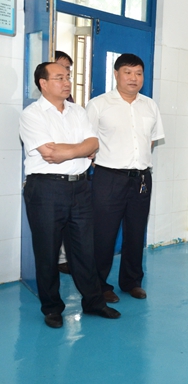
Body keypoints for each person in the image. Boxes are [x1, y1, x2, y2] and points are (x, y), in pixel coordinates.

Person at [20, 62, 121, 328]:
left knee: (84, 250)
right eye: (59, 78)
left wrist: (69, 151)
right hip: (46, 189)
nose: (66, 82)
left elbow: (93, 143)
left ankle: (94, 302)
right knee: (47, 251)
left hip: (80, 188)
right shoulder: (32, 115)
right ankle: (52, 308)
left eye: (68, 77)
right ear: (43, 83)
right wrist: (80, 149)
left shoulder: (78, 111)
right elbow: (48, 153)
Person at [86, 53, 164, 303]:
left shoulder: (150, 106)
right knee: (103, 234)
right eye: (128, 72)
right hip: (108, 178)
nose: (133, 78)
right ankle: (99, 285)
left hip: (141, 179)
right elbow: (88, 142)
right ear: (116, 74)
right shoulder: (98, 105)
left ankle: (131, 281)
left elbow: (150, 141)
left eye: (138, 73)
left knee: (136, 232)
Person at [54, 50, 75, 275]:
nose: (65, 73)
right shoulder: (40, 106)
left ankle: (66, 257)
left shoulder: (71, 103)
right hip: (51, 175)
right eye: (61, 68)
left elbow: (88, 141)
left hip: (75, 175)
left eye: (68, 69)